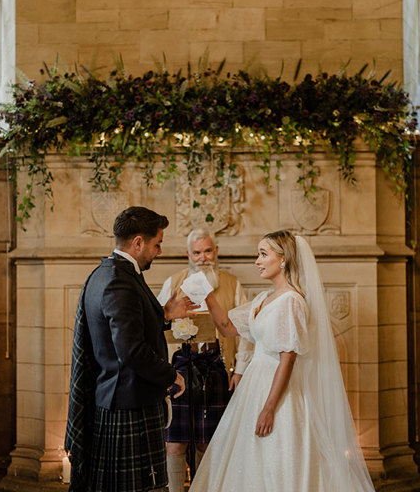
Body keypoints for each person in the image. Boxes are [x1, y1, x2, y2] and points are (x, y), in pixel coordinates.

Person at [189, 230, 376, 492]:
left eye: (263, 254)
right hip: (254, 385)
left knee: (279, 458)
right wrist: (207, 295)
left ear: (284, 259)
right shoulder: (265, 298)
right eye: (258, 254)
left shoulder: (291, 301)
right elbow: (227, 326)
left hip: (278, 392)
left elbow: (287, 359)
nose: (257, 261)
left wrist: (269, 408)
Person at [65, 206, 196, 492]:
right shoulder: (119, 282)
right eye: (157, 244)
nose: (158, 251)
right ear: (138, 242)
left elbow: (125, 328)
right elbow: (131, 350)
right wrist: (170, 375)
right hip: (129, 402)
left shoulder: (105, 273)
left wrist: (163, 314)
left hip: (120, 398)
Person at [156, 228, 253, 492]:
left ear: (216, 251)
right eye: (197, 252)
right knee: (175, 442)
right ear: (188, 254)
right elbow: (156, 327)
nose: (202, 258)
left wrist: (240, 370)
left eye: (207, 251)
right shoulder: (173, 283)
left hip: (218, 367)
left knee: (206, 441)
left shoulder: (233, 284)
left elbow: (245, 331)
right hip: (180, 368)